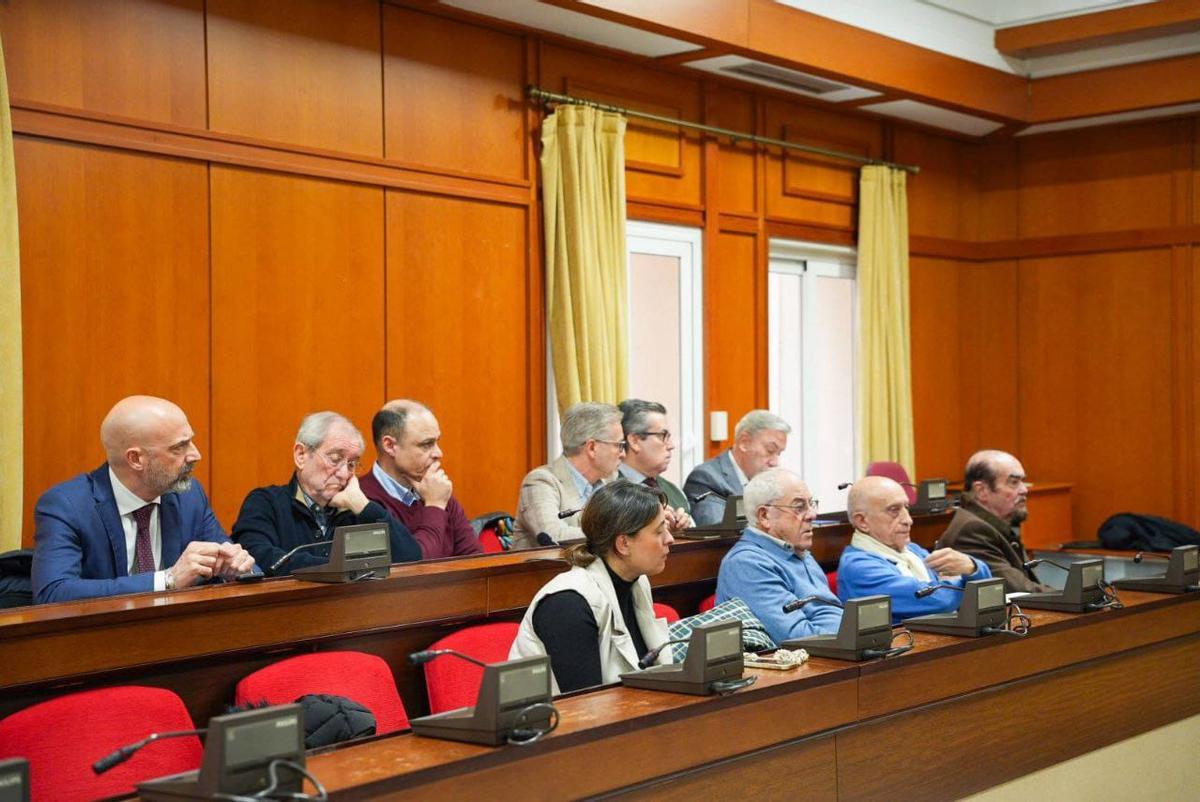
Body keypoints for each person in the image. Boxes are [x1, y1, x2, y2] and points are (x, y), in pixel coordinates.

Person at [32, 395, 255, 604]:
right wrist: (167, 581)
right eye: (179, 447)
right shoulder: (67, 506)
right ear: (136, 459)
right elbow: (54, 592)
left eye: (191, 441)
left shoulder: (188, 495)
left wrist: (238, 568)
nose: (196, 455)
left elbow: (233, 562)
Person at [510, 481, 674, 693]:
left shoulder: (636, 581)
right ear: (623, 544)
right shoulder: (567, 603)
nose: (670, 539)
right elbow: (586, 705)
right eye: (659, 531)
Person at [231, 412, 421, 575]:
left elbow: (410, 558)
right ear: (301, 455)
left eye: (352, 464)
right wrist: (340, 569)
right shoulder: (266, 503)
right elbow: (259, 557)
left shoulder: (357, 511)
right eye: (335, 459)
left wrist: (364, 506)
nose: (344, 473)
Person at [837, 476, 991, 623]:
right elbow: (939, 601)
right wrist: (966, 583)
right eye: (894, 510)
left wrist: (972, 567)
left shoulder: (912, 550)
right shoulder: (858, 567)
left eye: (906, 507)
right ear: (862, 521)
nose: (908, 520)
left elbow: (988, 589)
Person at [716, 468, 841, 642]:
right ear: (765, 516)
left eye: (811, 503)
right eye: (799, 507)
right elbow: (799, 638)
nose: (812, 514)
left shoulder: (797, 549)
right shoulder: (746, 563)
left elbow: (830, 615)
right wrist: (850, 634)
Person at [358, 400, 482, 559]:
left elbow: (476, 561)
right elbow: (414, 568)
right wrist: (435, 506)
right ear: (389, 446)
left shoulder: (437, 490)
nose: (438, 453)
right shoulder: (364, 503)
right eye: (426, 444)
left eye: (437, 442)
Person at [511, 402, 624, 549]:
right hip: (549, 571)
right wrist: (619, 534)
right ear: (592, 447)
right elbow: (553, 535)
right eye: (619, 445)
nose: (623, 453)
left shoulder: (610, 481)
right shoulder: (541, 482)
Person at [937, 450, 1052, 593]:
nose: (1024, 490)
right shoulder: (972, 530)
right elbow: (1016, 590)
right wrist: (1068, 597)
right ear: (981, 491)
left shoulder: (991, 523)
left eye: (1023, 481)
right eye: (1014, 482)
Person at [684, 410, 791, 525]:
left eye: (779, 453)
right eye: (770, 450)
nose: (775, 462)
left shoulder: (767, 481)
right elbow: (720, 534)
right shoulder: (706, 478)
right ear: (744, 443)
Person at [617, 398, 693, 535]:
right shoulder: (610, 491)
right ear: (634, 441)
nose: (671, 446)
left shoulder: (674, 491)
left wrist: (684, 528)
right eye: (662, 436)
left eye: (669, 437)